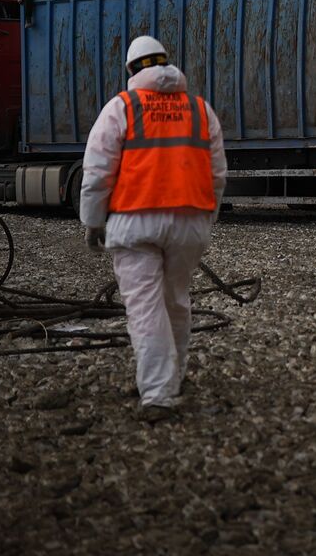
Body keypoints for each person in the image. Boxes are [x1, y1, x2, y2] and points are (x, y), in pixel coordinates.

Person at [79, 36, 227, 423]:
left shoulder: (122, 108)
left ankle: (159, 394)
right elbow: (217, 175)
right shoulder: (200, 110)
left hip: (135, 222)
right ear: (166, 63)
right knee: (175, 300)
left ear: (132, 71)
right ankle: (169, 378)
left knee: (145, 309)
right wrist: (204, 219)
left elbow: (97, 172)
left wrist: (93, 221)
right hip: (189, 222)